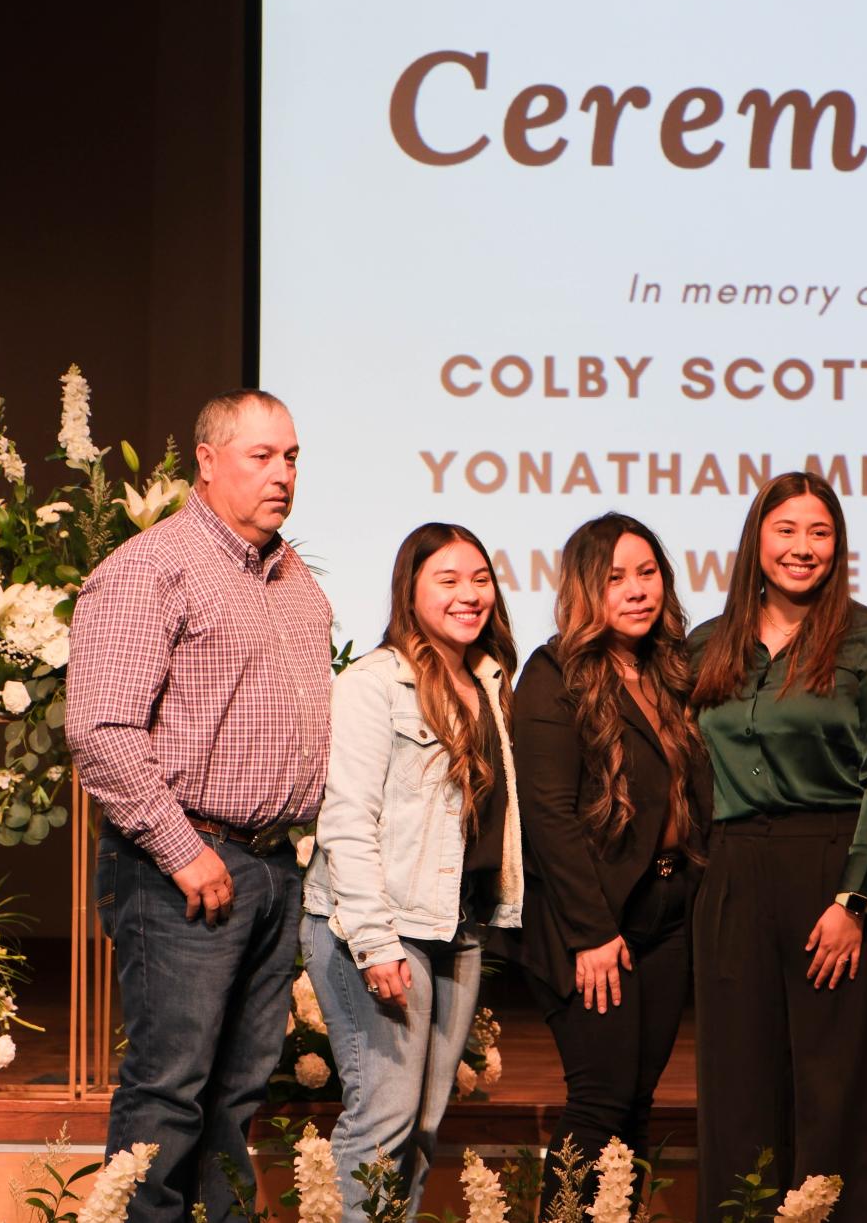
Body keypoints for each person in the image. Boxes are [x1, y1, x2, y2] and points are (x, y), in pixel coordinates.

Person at [65, 389, 333, 1222]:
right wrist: (182, 848)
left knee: (239, 1092)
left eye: (291, 456)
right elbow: (101, 729)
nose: (282, 473)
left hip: (270, 863)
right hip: (181, 863)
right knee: (170, 1089)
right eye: (262, 456)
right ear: (208, 462)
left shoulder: (294, 579)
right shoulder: (154, 566)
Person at [690, 471, 867, 1223]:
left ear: (838, 545)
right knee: (738, 1090)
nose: (803, 547)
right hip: (733, 874)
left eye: (820, 532)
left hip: (833, 870)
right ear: (757, 539)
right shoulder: (707, 645)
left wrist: (855, 899)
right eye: (787, 529)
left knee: (835, 1095)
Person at [301, 523, 523, 1223]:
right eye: (448, 579)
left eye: (480, 577)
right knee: (382, 1121)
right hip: (380, 928)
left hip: (455, 928)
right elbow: (345, 822)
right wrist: (375, 942)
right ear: (411, 589)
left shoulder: (486, 679)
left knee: (423, 1130)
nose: (469, 593)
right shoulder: (376, 683)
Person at [511, 513, 710, 1216]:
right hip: (592, 924)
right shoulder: (553, 672)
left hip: (666, 916)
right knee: (599, 1101)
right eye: (615, 576)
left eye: (647, 572)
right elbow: (549, 817)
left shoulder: (674, 667)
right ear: (584, 588)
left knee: (636, 1106)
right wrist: (592, 932)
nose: (635, 589)